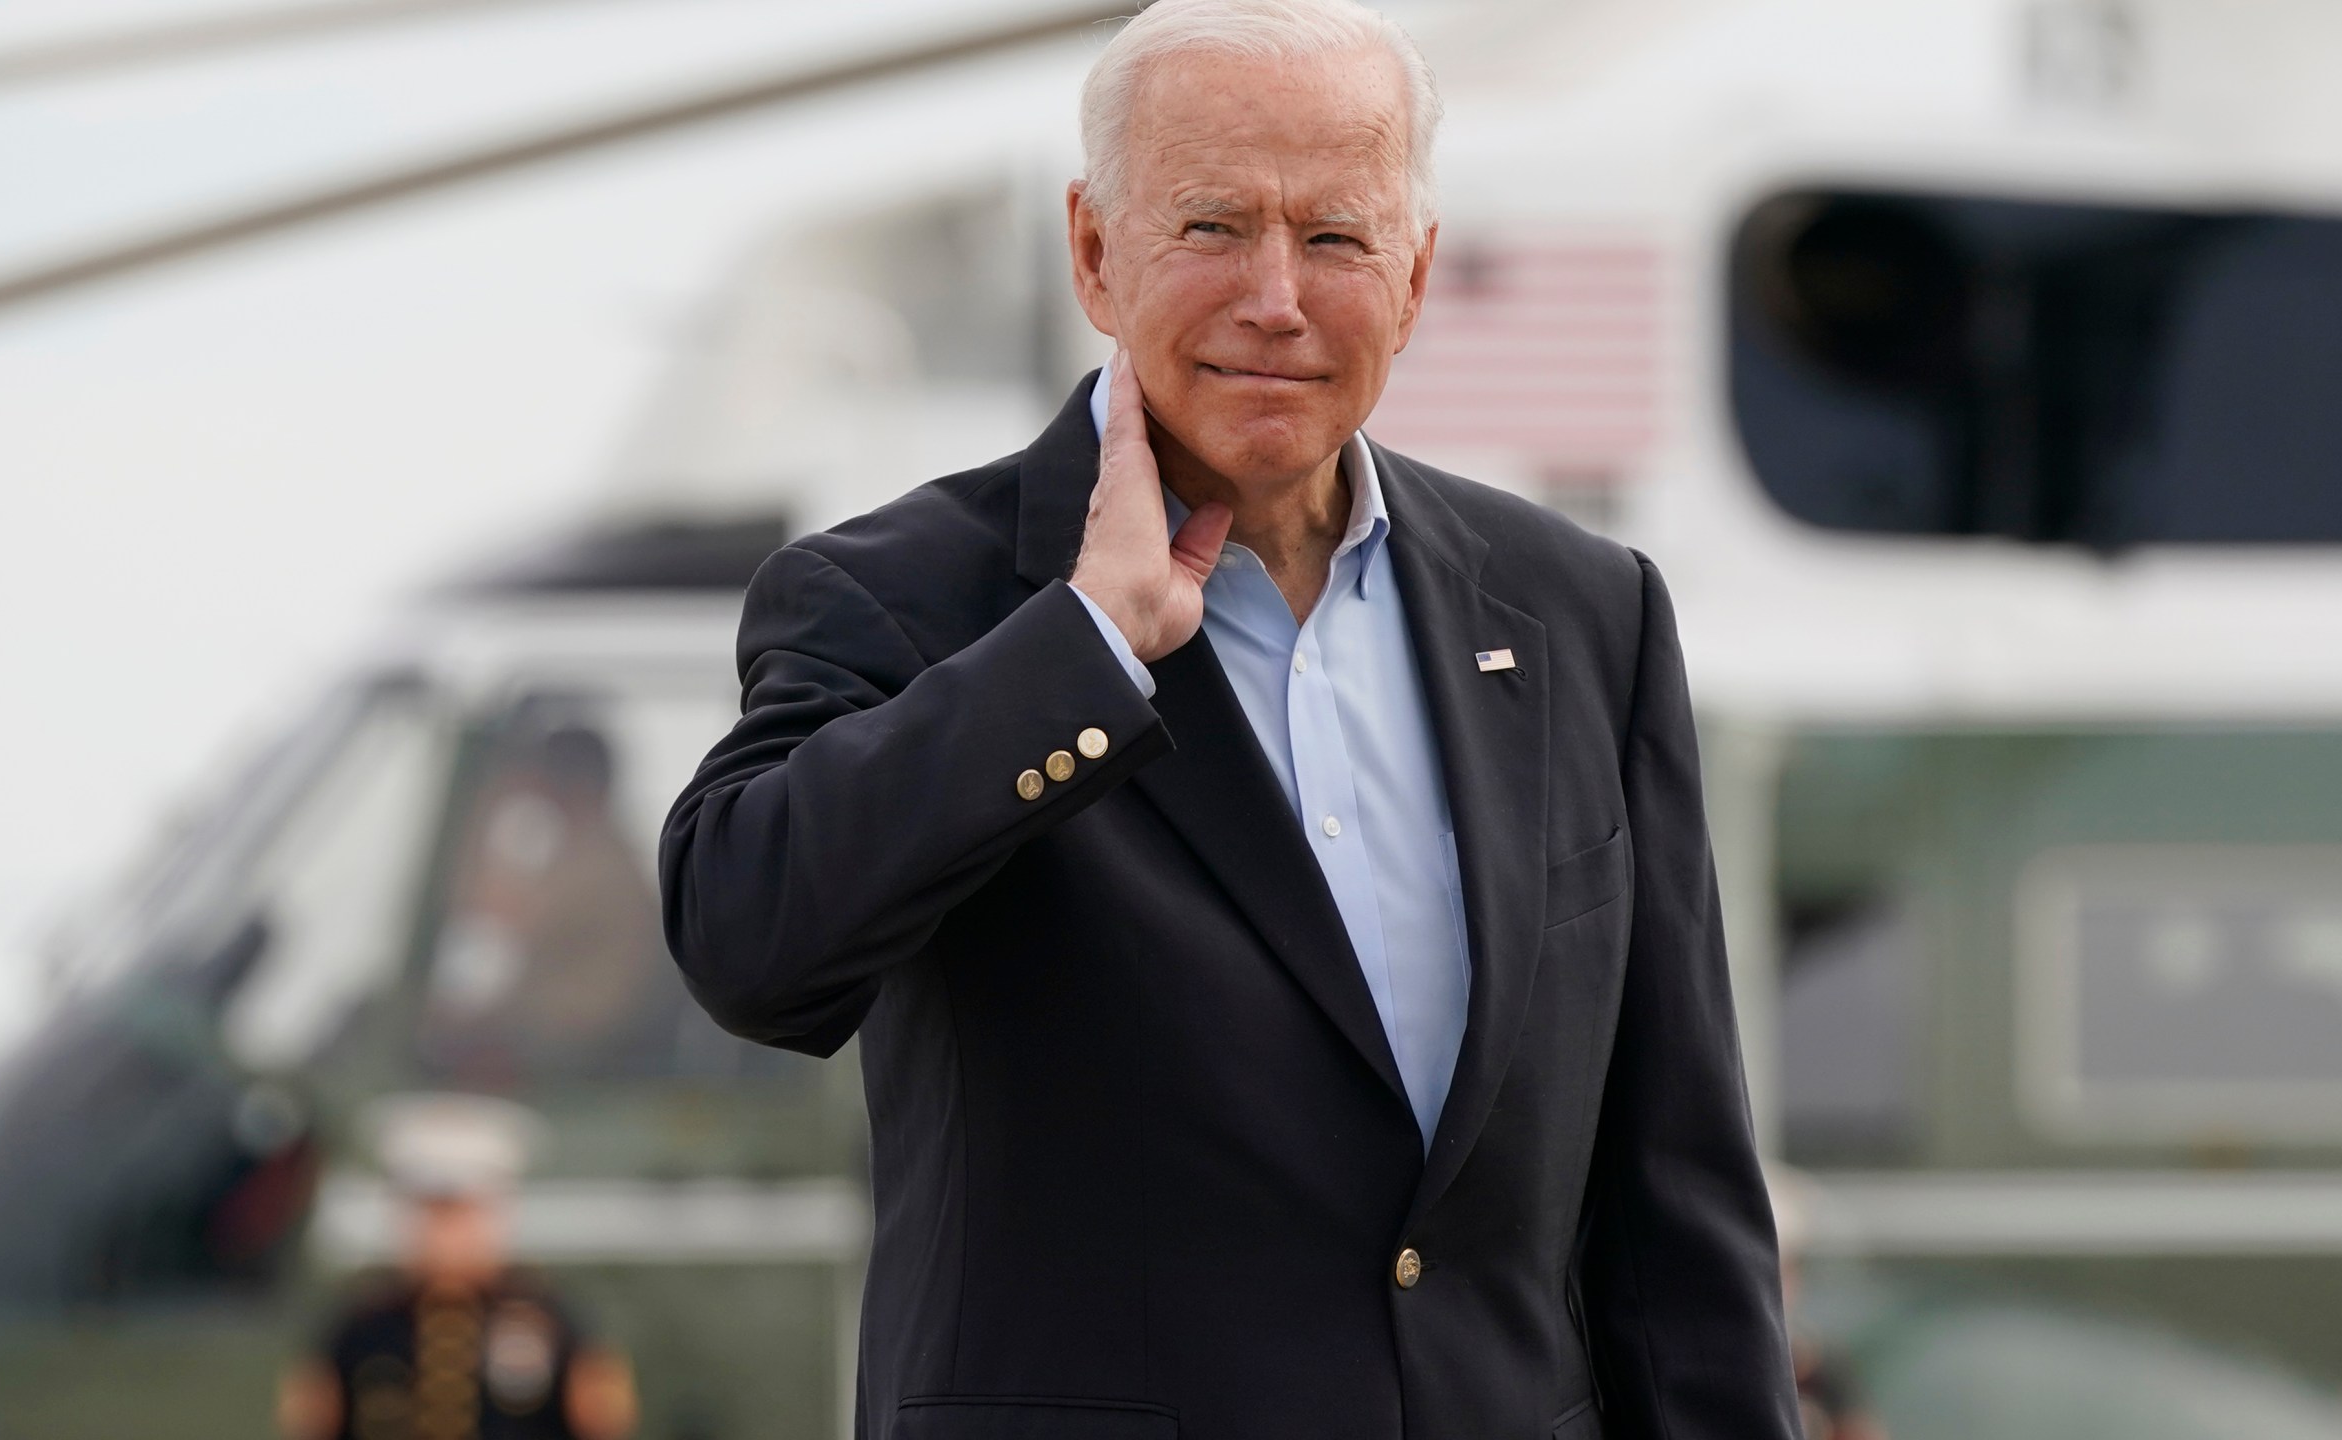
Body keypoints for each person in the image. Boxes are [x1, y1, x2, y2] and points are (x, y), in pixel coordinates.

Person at [660, 1, 1800, 1435]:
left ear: (1419, 271)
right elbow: (747, 946)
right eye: (1213, 228)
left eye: (1336, 237)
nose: (1278, 296)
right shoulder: (897, 598)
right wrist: (1081, 647)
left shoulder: (1583, 615)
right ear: (1092, 250)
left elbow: (1679, 1199)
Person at [276, 1095, 638, 1440]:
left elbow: (598, 1424)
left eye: (461, 1213)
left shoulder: (550, 1321)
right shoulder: (361, 1324)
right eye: (431, 1213)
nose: (445, 1233)